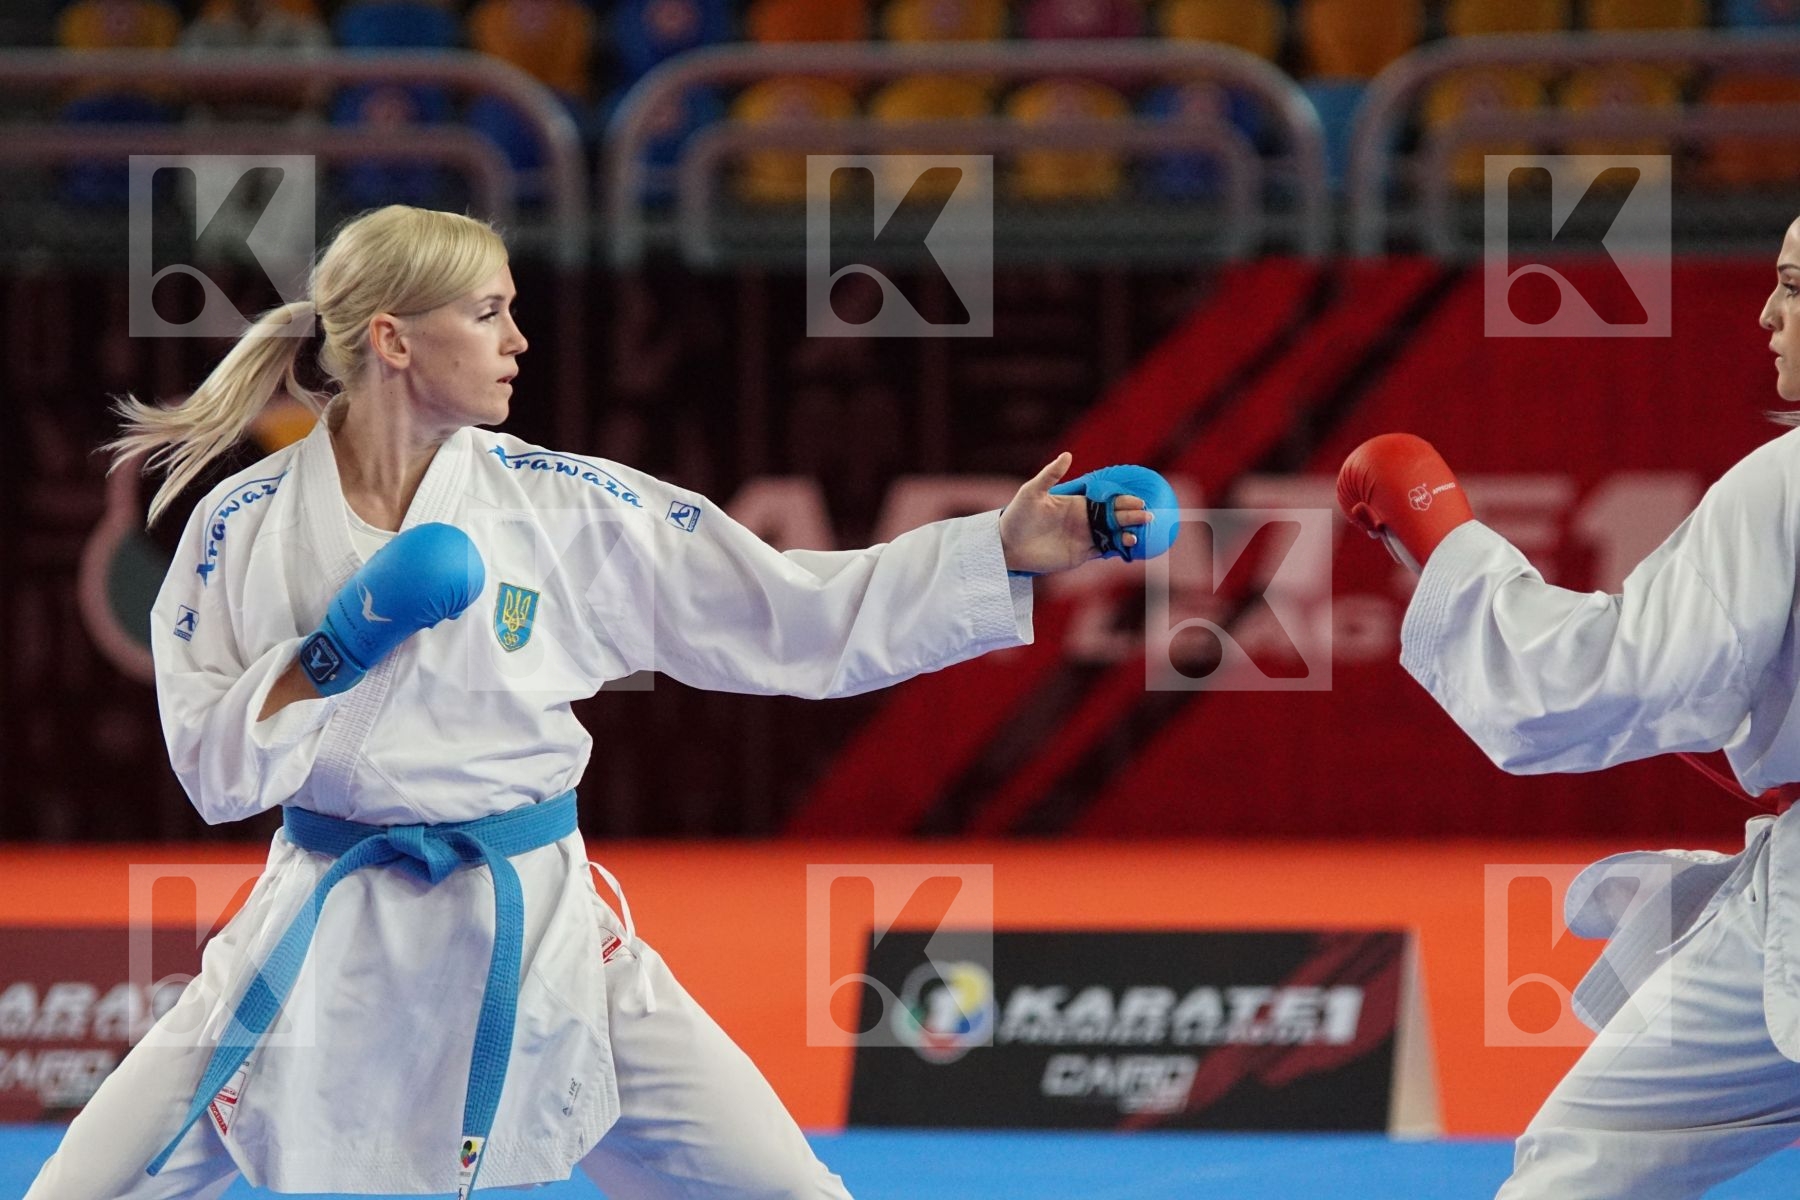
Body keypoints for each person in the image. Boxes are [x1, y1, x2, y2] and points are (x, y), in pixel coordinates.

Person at [26, 204, 1165, 1199]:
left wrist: (1002, 551)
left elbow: (801, 614)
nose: (520, 339)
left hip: (542, 924)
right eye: (487, 313)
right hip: (325, 912)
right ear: (393, 340)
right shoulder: (245, 522)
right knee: (86, 1183)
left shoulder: (563, 506)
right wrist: (339, 649)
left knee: (779, 1186)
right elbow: (214, 774)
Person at [1334, 214, 1800, 1199]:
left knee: (1577, 1177)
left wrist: (1442, 538)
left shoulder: (1787, 479)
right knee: (1582, 1163)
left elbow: (1604, 681)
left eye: (1795, 288)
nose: (1765, 314)